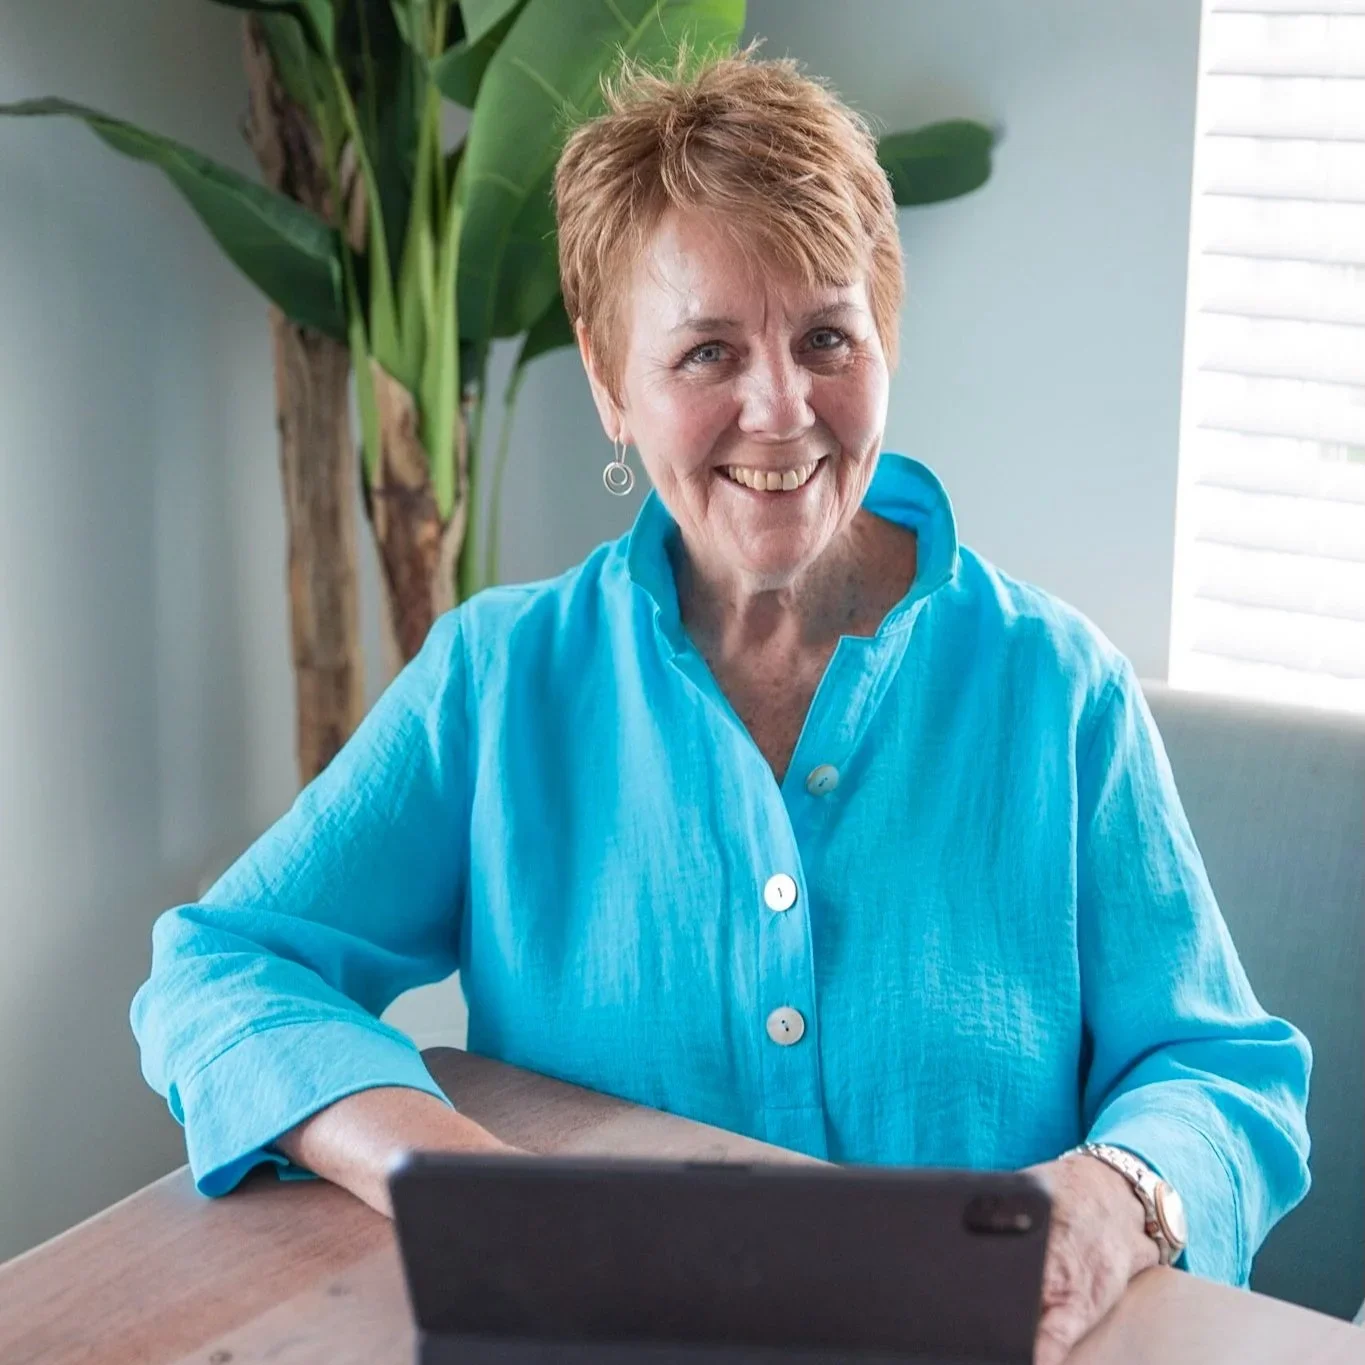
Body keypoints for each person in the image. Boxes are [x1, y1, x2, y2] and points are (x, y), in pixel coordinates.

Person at [131, 48, 1310, 1365]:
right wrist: (449, 1174)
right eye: (706, 352)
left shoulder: (1058, 689)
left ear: (886, 338)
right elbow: (219, 971)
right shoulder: (501, 678)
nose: (781, 408)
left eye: (826, 336)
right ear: (606, 381)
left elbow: (1221, 1074)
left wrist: (1119, 1197)